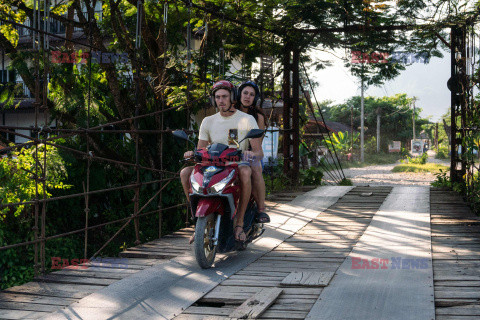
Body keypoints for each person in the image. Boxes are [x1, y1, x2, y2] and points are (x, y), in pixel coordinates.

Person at [180, 80, 263, 243]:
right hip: (212, 164)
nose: (221, 100)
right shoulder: (208, 121)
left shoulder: (247, 119)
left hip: (235, 163)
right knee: (185, 173)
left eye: (224, 96)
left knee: (246, 172)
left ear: (232, 97)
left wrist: (250, 155)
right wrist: (192, 153)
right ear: (214, 100)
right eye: (217, 97)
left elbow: (258, 151)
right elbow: (201, 150)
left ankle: (239, 225)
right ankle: (197, 223)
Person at [235, 81, 270, 223]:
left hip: (249, 153)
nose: (247, 97)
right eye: (245, 93)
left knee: (256, 166)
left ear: (255, 98)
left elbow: (258, 142)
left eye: (251, 95)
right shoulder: (231, 112)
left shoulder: (258, 117)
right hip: (232, 152)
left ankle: (261, 210)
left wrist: (249, 153)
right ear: (239, 94)